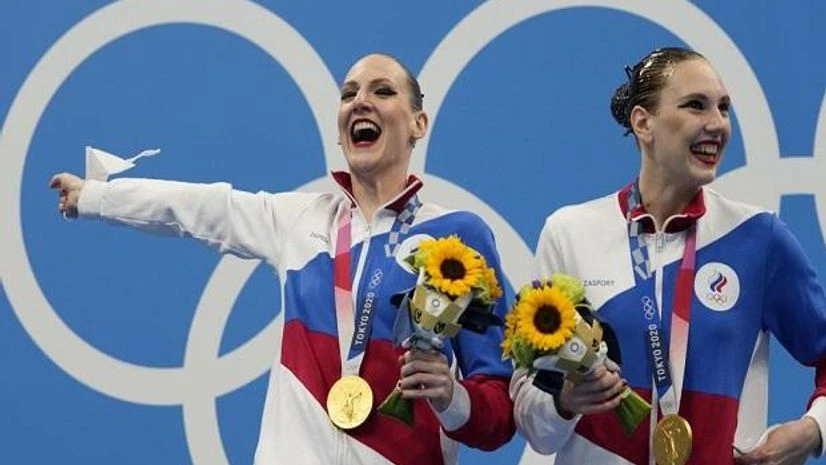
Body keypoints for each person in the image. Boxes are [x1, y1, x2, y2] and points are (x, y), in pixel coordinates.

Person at [50, 53, 515, 464]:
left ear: (419, 123)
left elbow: (499, 414)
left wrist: (451, 398)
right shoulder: (298, 220)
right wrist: (95, 196)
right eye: (349, 93)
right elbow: (199, 207)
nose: (360, 102)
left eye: (383, 91)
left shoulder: (459, 239)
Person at [510, 47, 826, 465]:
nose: (717, 124)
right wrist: (564, 402)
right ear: (644, 122)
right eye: (696, 106)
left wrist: (812, 430)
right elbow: (533, 423)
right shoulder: (569, 232)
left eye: (724, 108)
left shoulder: (757, 238)